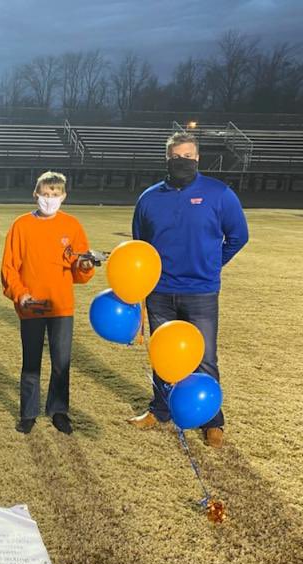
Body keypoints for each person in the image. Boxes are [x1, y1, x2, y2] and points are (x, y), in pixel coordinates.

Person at [129, 131, 249, 447]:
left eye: (187, 156)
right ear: (167, 159)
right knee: (163, 355)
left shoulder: (219, 193)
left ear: (197, 158)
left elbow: (239, 236)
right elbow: (141, 245)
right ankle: (161, 410)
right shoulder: (149, 198)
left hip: (201, 292)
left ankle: (212, 420)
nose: (181, 161)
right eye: (175, 157)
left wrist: (212, 264)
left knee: (205, 357)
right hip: (160, 291)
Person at [1, 171, 95, 435]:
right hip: (32, 305)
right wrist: (20, 294)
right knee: (31, 362)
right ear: (36, 194)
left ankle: (58, 411)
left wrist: (85, 266)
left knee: (61, 362)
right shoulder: (21, 225)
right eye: (45, 193)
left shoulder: (72, 225)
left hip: (61, 306)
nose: (49, 199)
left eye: (55, 194)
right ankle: (28, 413)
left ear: (64, 196)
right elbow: (9, 267)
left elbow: (80, 270)